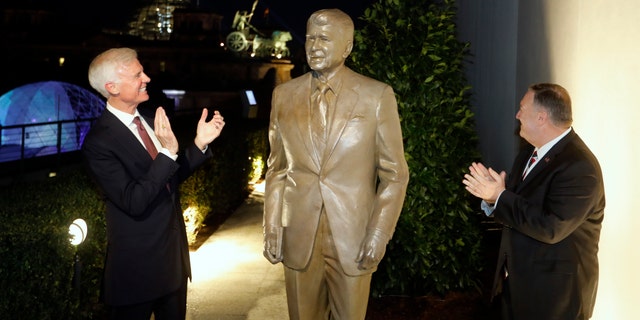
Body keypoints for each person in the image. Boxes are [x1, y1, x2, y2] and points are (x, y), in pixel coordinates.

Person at [262, 8, 409, 320]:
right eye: (311, 37)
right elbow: (277, 169)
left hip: (354, 237)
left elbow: (395, 175)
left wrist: (379, 233)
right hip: (299, 237)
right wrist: (272, 225)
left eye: (324, 39)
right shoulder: (284, 95)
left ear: (347, 47)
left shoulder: (376, 96)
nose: (314, 45)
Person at [82, 47, 225, 320]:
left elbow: (167, 180)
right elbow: (134, 201)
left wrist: (199, 144)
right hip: (137, 274)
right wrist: (167, 153)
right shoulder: (98, 142)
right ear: (111, 87)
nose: (146, 77)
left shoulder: (149, 120)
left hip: (174, 266)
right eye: (138, 75)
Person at [462, 83, 605, 319]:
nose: (517, 115)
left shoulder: (580, 167)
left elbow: (551, 227)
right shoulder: (530, 152)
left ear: (541, 117)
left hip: (555, 300)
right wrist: (493, 198)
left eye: (521, 108)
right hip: (518, 288)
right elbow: (520, 209)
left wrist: (500, 196)